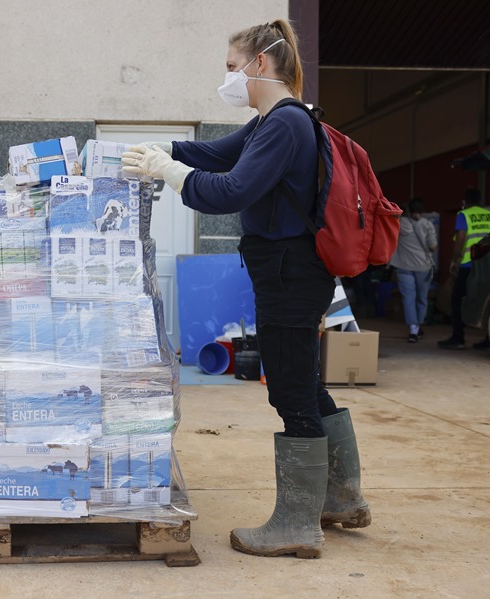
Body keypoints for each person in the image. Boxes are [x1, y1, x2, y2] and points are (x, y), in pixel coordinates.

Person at [122, 20, 370, 558]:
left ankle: (297, 526)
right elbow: (215, 154)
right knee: (304, 380)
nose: (228, 77)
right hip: (289, 270)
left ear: (261, 64)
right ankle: (342, 499)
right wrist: (157, 148)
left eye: (233, 66)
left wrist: (166, 171)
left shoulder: (283, 125)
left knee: (288, 388)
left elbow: (228, 190)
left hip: (289, 272)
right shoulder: (273, 122)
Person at [437, 189, 490, 350]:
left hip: (469, 265)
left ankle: (458, 337)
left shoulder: (464, 214)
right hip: (488, 264)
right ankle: (488, 339)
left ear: (465, 201)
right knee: (486, 301)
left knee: (457, 300)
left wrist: (454, 261)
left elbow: (460, 238)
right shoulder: (488, 214)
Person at [389, 198, 437, 343]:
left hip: (404, 267)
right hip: (423, 268)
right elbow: (433, 246)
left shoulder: (401, 224)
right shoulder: (428, 225)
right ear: (422, 210)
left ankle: (413, 329)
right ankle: (418, 325)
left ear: (409, 210)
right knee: (422, 299)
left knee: (408, 298)